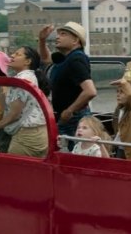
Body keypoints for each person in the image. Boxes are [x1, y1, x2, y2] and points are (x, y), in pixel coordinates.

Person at [38, 22, 96, 152]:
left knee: (74, 154)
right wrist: (42, 40)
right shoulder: (65, 58)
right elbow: (46, 58)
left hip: (73, 118)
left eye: (63, 34)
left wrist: (69, 111)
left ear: (75, 40)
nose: (57, 37)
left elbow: (90, 91)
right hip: (67, 117)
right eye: (58, 34)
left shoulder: (76, 58)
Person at [0, 46, 51, 158]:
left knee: (16, 167)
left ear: (28, 61)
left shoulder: (22, 80)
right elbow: (7, 107)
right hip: (37, 132)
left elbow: (14, 114)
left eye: (17, 54)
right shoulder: (28, 77)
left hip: (26, 135)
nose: (12, 56)